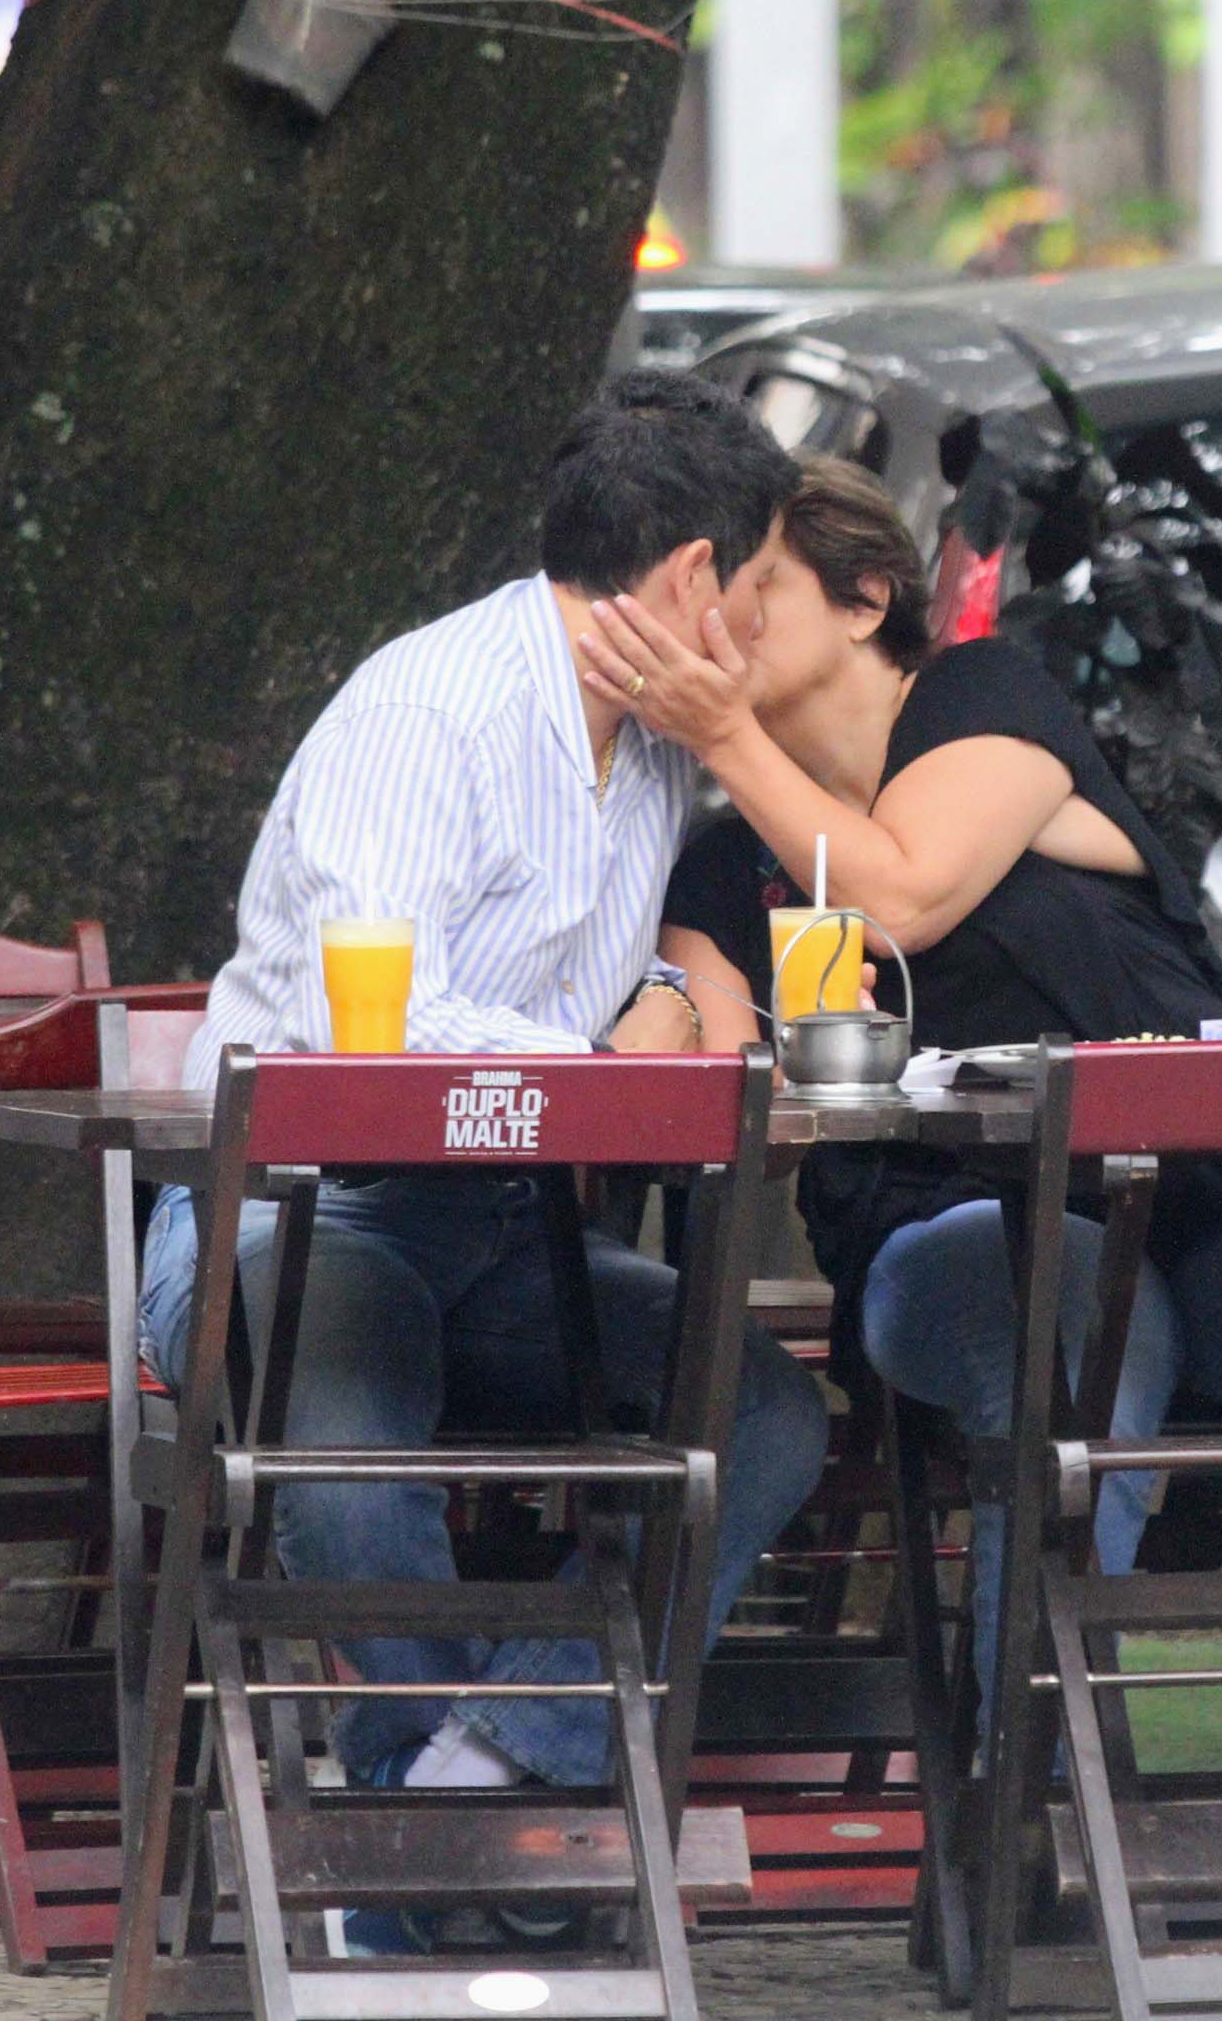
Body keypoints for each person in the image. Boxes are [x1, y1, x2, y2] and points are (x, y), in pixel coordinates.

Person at [598, 461, 1222, 1773]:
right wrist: (676, 1031)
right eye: (699, 595)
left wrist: (721, 735)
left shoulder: (981, 701)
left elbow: (901, 895)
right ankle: (1029, 1796)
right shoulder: (725, 871)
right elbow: (708, 1073)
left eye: (755, 582)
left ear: (863, 599)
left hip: (1216, 1181)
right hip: (944, 1221)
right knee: (1081, 1344)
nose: (718, 619)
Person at [142, 370, 829, 1829]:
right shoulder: (432, 706)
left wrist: (649, 1001)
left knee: (763, 1419)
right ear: (699, 575)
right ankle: (425, 1850)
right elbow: (366, 1013)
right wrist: (613, 1073)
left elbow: (587, 964)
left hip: (506, 1231)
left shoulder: (651, 746)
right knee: (345, 1455)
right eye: (767, 581)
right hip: (304, 1215)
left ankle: (499, 1769)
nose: (771, 620)